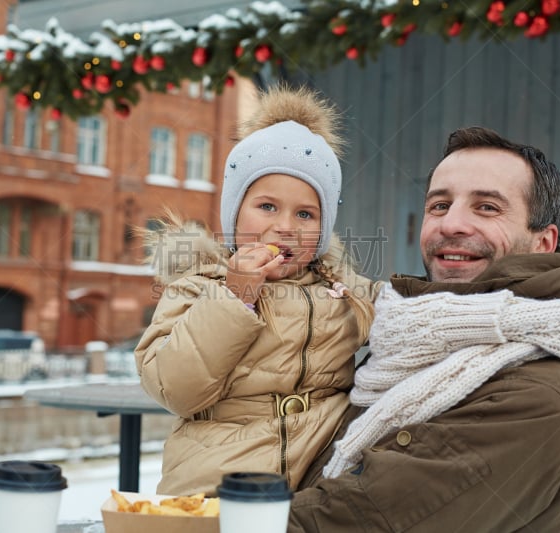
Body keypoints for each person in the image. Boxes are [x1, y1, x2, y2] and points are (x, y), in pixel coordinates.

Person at [287, 127, 560, 532]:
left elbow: (343, 524)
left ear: (544, 242)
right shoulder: (405, 341)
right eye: (439, 205)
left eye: (487, 207)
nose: (451, 224)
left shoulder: (539, 399)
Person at [134, 85, 382, 496]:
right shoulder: (197, 287)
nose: (285, 226)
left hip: (319, 473)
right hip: (219, 478)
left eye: (305, 213)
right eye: (267, 206)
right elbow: (175, 389)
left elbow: (407, 315)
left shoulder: (343, 291)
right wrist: (234, 297)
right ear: (234, 212)